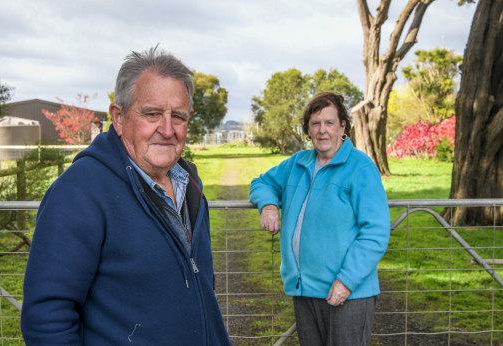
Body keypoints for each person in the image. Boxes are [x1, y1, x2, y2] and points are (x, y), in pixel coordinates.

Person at [21, 46, 231, 345]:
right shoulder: (80, 191)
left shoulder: (189, 183)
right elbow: (47, 317)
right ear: (118, 118)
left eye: (179, 117)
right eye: (152, 113)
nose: (168, 129)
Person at [249, 92, 390, 345]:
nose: (322, 130)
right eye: (315, 123)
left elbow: (375, 233)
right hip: (305, 289)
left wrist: (346, 281)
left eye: (329, 122)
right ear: (307, 129)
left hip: (348, 292)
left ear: (343, 126)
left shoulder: (360, 167)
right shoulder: (297, 163)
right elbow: (261, 182)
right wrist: (269, 205)